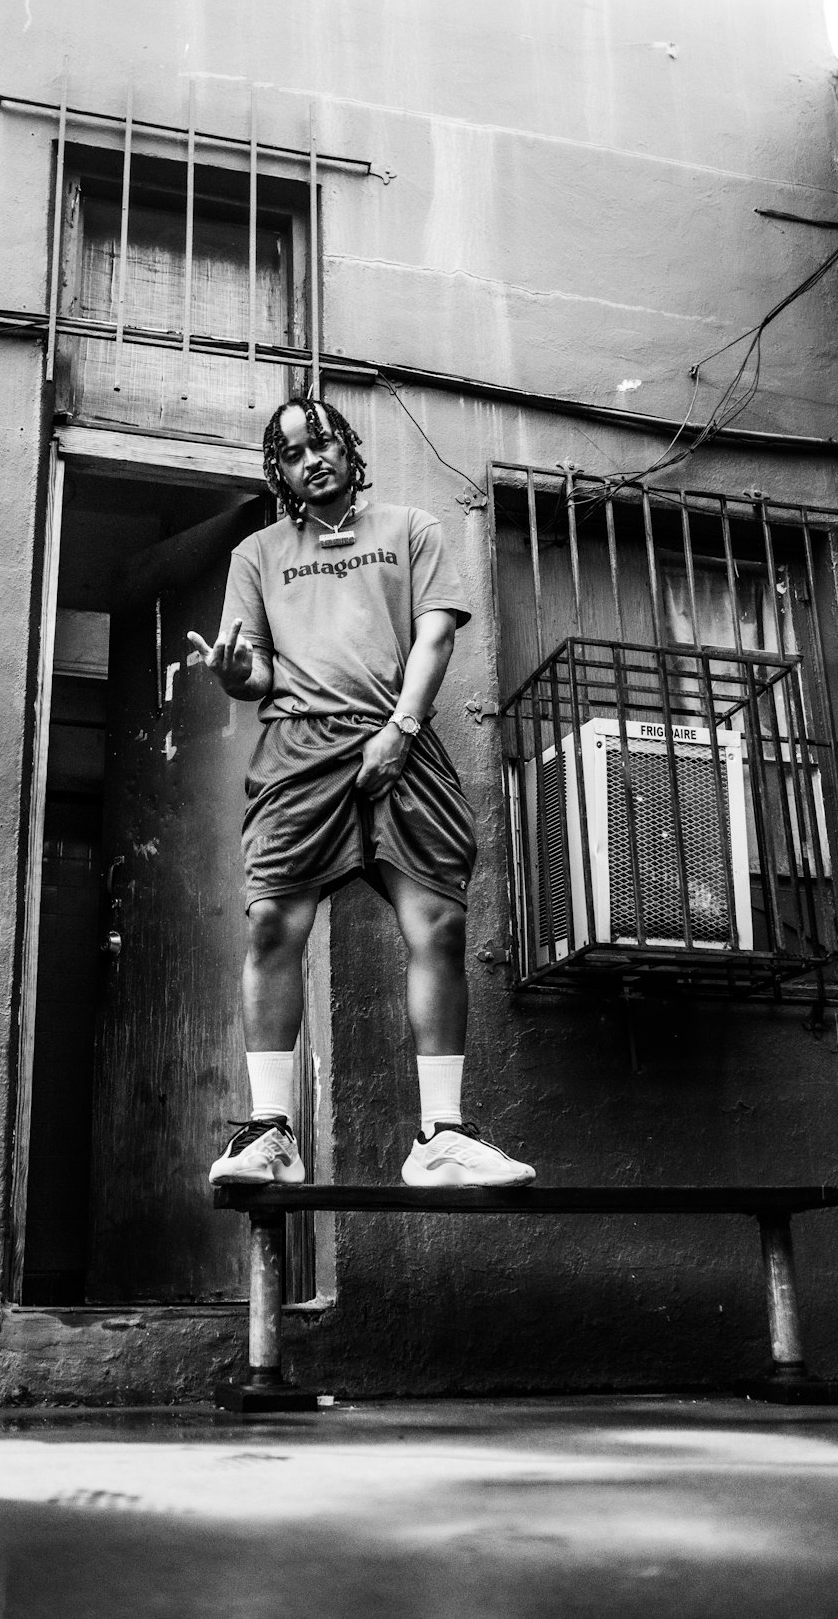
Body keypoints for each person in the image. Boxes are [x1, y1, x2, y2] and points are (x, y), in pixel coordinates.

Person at [187, 397, 535, 1189]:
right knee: (274, 919)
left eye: (323, 442)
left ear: (348, 447)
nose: (312, 459)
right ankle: (272, 1134)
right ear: (279, 472)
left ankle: (440, 1137)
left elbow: (435, 635)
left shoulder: (411, 529)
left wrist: (402, 730)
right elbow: (259, 672)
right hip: (299, 746)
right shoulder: (257, 554)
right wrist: (237, 673)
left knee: (440, 923)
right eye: (293, 452)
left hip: (395, 735)